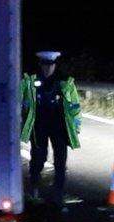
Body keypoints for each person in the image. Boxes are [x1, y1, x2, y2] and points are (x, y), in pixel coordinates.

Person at [22, 50, 81, 208]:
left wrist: (76, 127)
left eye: (51, 65)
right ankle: (34, 189)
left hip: (59, 127)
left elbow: (75, 106)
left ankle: (58, 194)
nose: (48, 68)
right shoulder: (30, 81)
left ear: (55, 65)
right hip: (39, 126)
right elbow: (23, 103)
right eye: (45, 64)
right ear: (40, 64)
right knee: (38, 158)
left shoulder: (65, 82)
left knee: (60, 162)